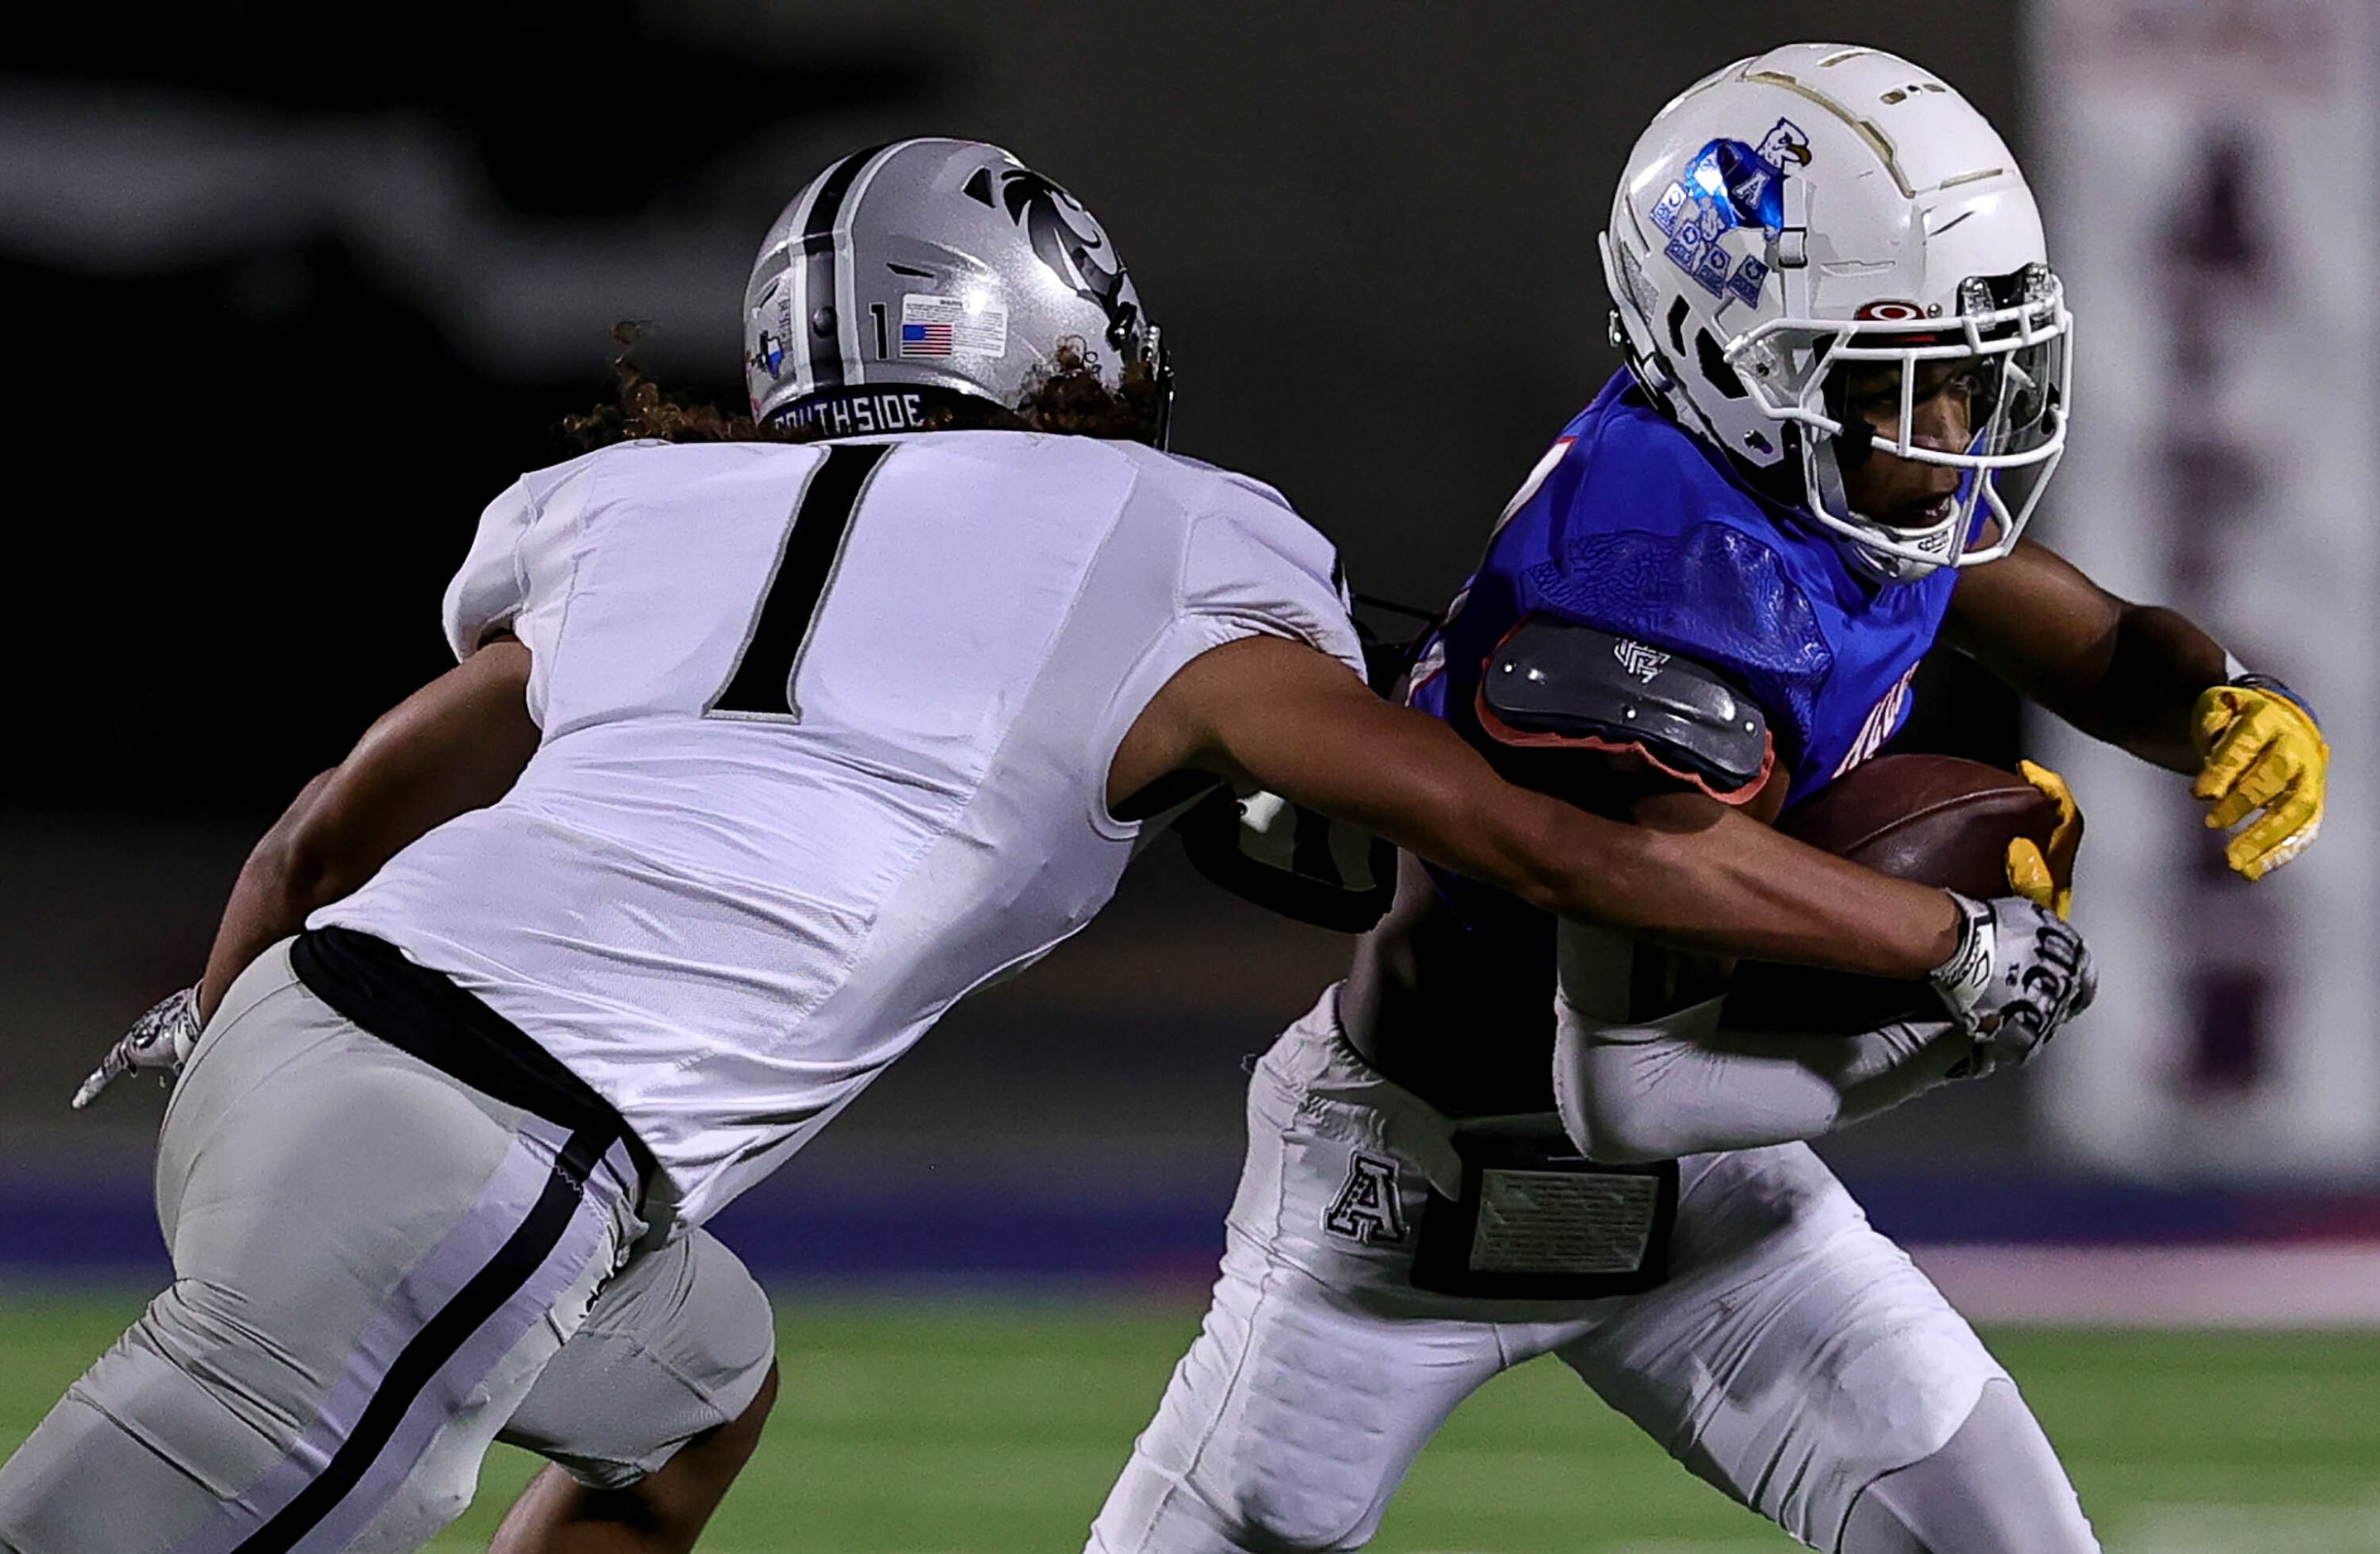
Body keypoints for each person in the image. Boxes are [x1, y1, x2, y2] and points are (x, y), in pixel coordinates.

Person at [10, 137, 2090, 1554]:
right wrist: (1931, 950)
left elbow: (311, 836)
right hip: (491, 1149)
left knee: (695, 1383)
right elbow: (1530, 839)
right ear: (1019, 330)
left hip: (281, 1046)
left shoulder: (638, 502)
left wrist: (247, 1099)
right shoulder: (1165, 533)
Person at [1085, 44, 2328, 1554]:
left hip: (1702, 1197)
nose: (1953, 424)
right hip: (1418, 1191)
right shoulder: (1645, 578)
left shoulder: (1818, 468)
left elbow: (2076, 625)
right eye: (1908, 380)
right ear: (1741, 362)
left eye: (1970, 365)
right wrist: (1950, 968)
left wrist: (2212, 698)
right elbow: (1632, 1087)